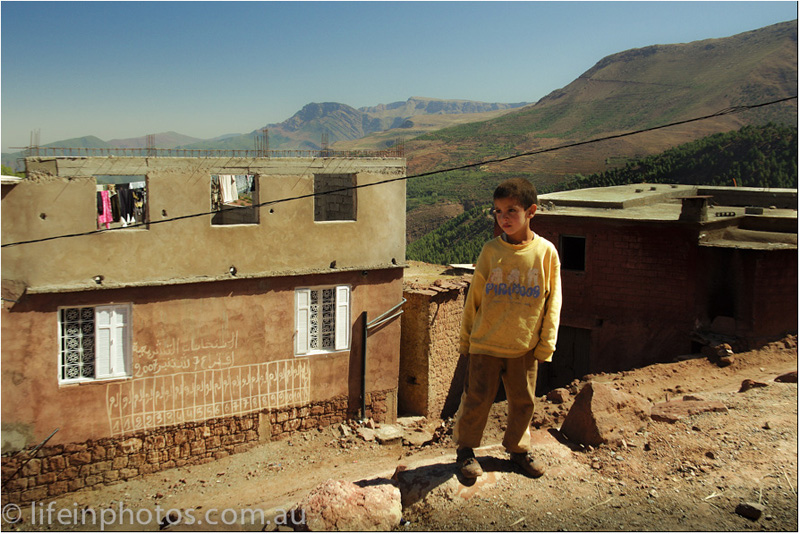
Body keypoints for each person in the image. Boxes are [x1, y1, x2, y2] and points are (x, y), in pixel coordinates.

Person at [453, 177, 562, 479]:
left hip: (523, 346)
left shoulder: (546, 253)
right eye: (498, 212)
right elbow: (473, 299)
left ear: (531, 211)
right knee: (476, 399)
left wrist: (546, 344)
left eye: (511, 210)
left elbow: (554, 302)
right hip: (485, 343)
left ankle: (518, 450)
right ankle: (465, 452)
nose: (503, 218)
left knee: (523, 402)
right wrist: (466, 340)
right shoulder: (490, 251)